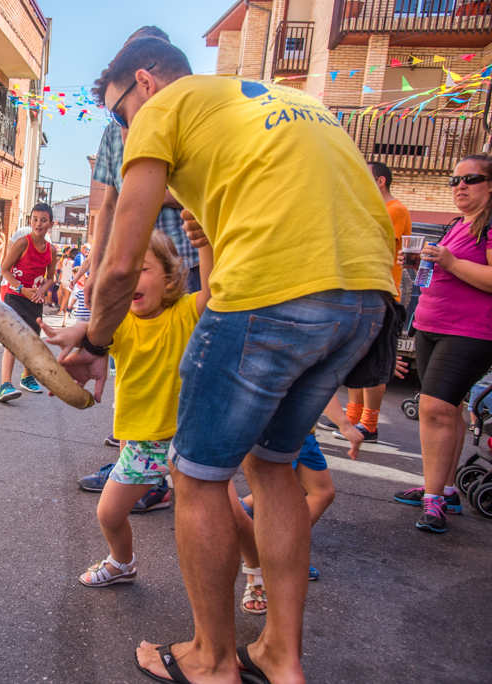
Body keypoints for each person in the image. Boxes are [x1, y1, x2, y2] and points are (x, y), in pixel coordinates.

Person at [65, 37, 395, 683]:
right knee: (273, 470)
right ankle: (280, 654)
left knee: (196, 478)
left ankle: (212, 659)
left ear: (145, 82)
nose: (123, 128)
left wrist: (99, 345)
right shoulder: (287, 100)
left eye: (119, 114)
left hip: (273, 293)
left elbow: (121, 262)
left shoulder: (161, 111)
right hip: (367, 298)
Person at [46, 232, 213, 587]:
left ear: (169, 277)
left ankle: (256, 568)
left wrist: (205, 244)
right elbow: (93, 331)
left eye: (144, 268)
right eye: (124, 272)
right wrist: (73, 334)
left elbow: (215, 294)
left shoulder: (184, 312)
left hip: (191, 439)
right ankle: (122, 562)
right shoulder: (121, 321)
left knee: (225, 516)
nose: (131, 278)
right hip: (143, 444)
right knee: (108, 512)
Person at [392, 156, 492, 534]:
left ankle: (434, 500)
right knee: (449, 411)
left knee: (433, 408)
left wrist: (448, 261)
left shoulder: (489, 224)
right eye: (455, 179)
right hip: (432, 324)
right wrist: (422, 265)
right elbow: (444, 273)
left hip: (470, 329)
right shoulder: (457, 224)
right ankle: (445, 489)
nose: (460, 186)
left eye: (471, 178)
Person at [88, 27, 200, 300]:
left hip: (191, 265)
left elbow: (211, 189)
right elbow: (110, 205)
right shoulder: (115, 130)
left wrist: (149, 196)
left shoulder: (192, 118)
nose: (127, 128)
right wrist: (96, 269)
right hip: (135, 267)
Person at [328, 161, 412, 444]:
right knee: (356, 358)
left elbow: (373, 241)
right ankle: (353, 416)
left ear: (380, 182)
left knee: (374, 360)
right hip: (362, 290)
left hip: (383, 294)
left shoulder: (395, 209)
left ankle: (370, 423)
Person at [0, 203, 58, 401]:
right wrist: (22, 288)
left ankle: (27, 377)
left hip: (34, 299)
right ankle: (4, 385)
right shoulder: (23, 243)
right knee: (14, 337)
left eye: (43, 220)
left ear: (51, 224)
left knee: (32, 338)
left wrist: (40, 292)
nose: (38, 224)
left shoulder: (51, 250)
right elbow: (4, 269)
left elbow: (50, 278)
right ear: (30, 221)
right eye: (35, 219)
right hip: (15, 295)